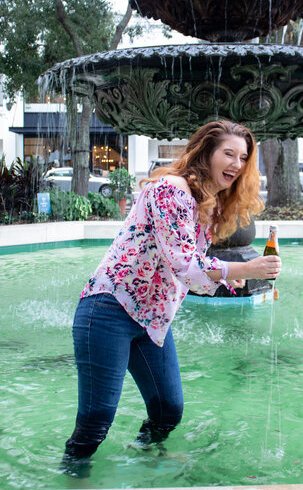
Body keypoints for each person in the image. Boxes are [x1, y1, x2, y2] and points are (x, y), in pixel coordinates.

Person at [62, 120, 282, 467]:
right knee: (96, 422)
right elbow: (182, 262)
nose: (236, 165)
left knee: (168, 411)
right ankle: (71, 477)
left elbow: (185, 272)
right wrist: (244, 269)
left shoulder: (208, 205)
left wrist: (226, 280)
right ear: (207, 152)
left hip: (151, 321)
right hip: (108, 311)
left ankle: (146, 457)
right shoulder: (171, 189)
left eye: (243, 158)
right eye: (228, 154)